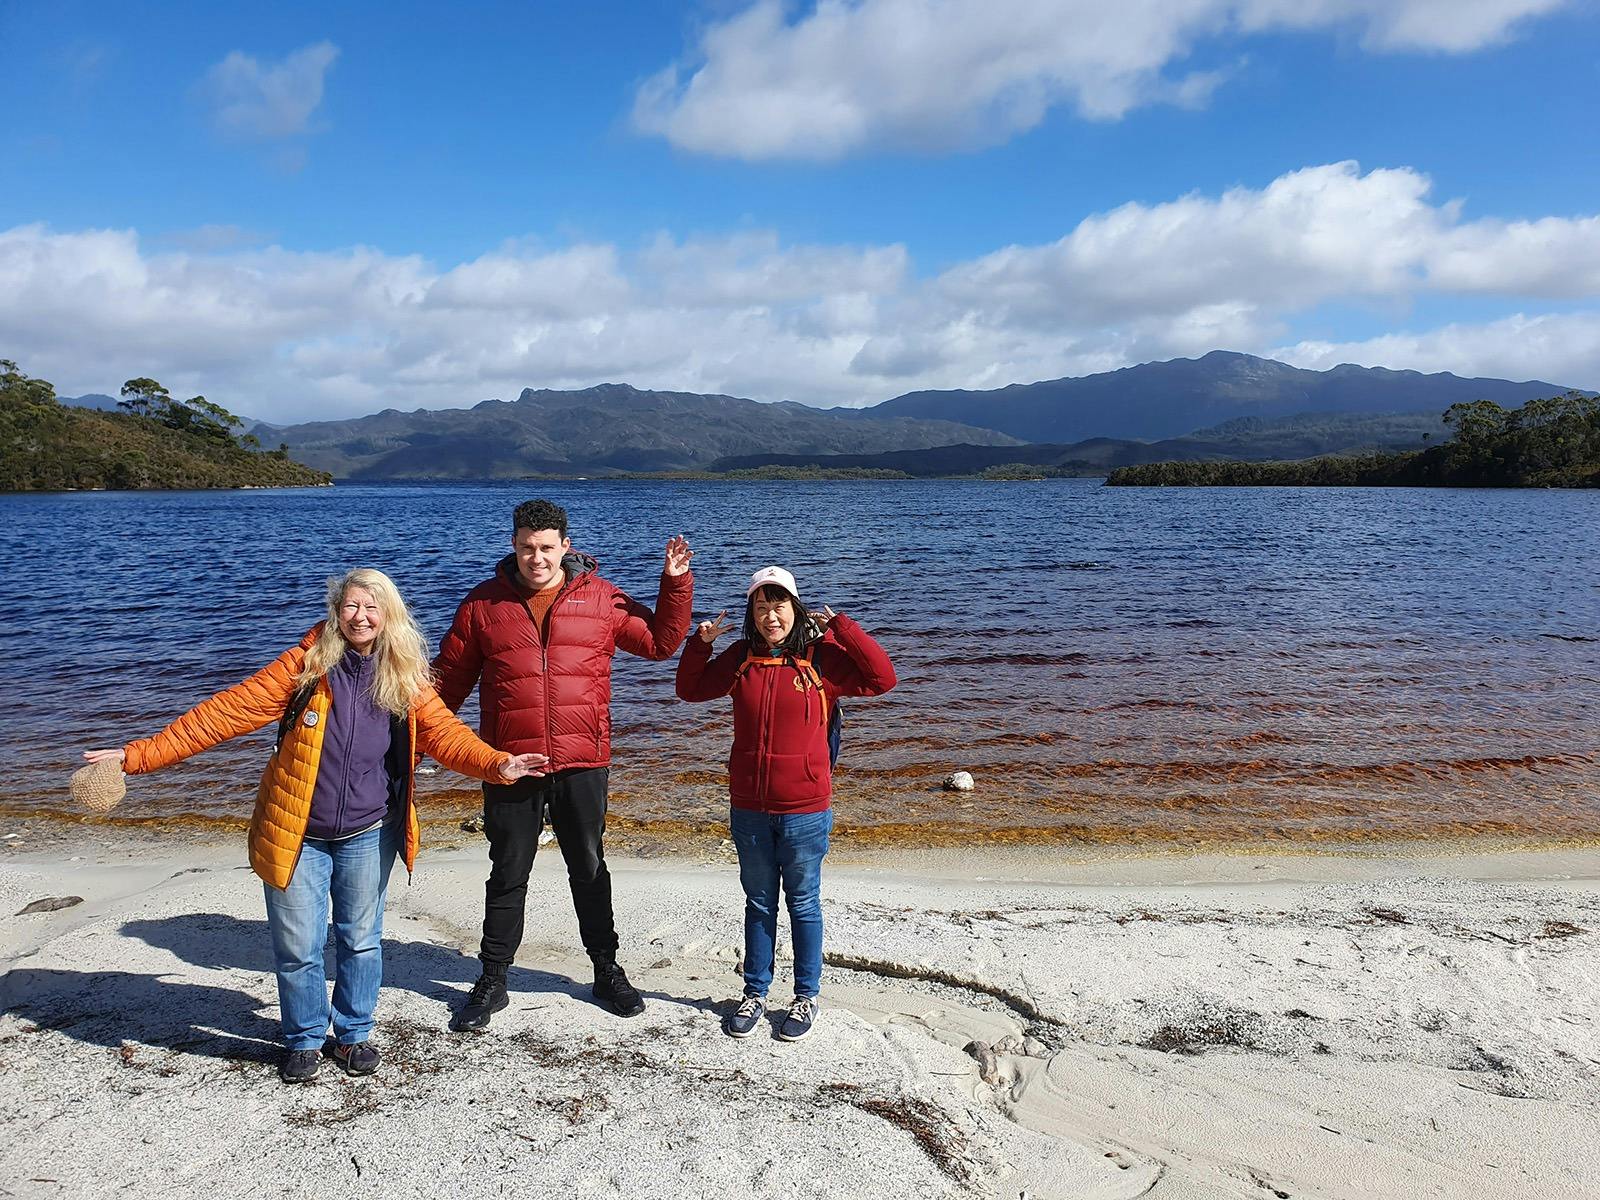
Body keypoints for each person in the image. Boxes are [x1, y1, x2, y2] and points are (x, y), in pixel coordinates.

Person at [82, 568, 546, 1083]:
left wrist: (496, 764)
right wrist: (134, 756)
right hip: (297, 830)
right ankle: (303, 1038)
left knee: (361, 939)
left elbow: (446, 735)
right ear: (336, 610)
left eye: (372, 607)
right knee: (299, 946)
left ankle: (352, 1035)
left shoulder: (404, 675)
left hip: (370, 831)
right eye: (351, 606)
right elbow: (223, 714)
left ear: (389, 614)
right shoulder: (305, 667)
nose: (361, 616)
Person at [434, 499, 693, 1031]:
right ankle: (492, 978)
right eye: (527, 547)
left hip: (583, 758)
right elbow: (448, 683)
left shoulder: (599, 599)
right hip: (510, 762)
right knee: (508, 870)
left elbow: (662, 644)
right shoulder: (483, 605)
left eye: (547, 547)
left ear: (565, 547)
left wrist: (675, 585)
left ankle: (606, 969)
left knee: (590, 867)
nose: (537, 558)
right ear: (513, 545)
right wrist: (411, 744)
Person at [675, 566, 896, 1041]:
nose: (770, 614)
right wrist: (700, 644)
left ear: (794, 610)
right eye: (761, 605)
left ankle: (805, 997)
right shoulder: (740, 658)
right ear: (752, 613)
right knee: (758, 902)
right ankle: (755, 993)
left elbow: (883, 678)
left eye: (779, 605)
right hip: (750, 806)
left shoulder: (823, 660)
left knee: (803, 903)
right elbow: (689, 690)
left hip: (805, 808)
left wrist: (845, 628)